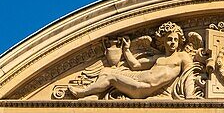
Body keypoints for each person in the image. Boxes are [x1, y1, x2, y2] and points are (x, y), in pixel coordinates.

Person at [68, 22, 196, 100]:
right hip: (137, 77)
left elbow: (188, 75)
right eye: (169, 39)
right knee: (106, 70)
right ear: (163, 41)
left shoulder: (182, 56)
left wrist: (190, 96)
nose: (172, 42)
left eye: (175, 39)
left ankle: (84, 92)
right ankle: (93, 95)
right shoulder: (159, 58)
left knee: (112, 77)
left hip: (142, 87)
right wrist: (127, 50)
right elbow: (136, 65)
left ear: (180, 41)